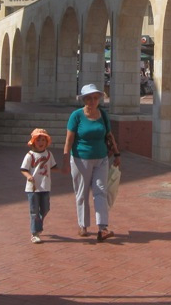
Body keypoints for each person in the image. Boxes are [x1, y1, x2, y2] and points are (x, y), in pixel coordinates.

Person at [62, 83, 121, 242]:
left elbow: (109, 135)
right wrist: (66, 160)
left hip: (101, 159)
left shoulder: (103, 115)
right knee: (82, 193)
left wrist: (116, 153)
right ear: (84, 99)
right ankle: (83, 225)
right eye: (89, 98)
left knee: (100, 191)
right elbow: (69, 140)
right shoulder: (76, 116)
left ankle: (102, 227)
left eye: (95, 98)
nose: (92, 101)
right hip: (81, 159)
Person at [20, 128, 57, 244]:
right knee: (34, 211)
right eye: (38, 140)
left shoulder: (49, 154)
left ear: (47, 142)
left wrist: (64, 170)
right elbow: (23, 169)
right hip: (33, 188)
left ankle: (38, 223)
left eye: (43, 140)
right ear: (33, 142)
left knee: (45, 208)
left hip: (45, 186)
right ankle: (35, 233)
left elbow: (53, 167)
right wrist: (28, 176)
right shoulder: (30, 155)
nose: (41, 143)